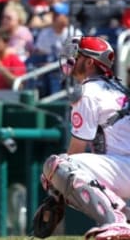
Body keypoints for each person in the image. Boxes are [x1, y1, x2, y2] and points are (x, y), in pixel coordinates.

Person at [38, 36, 130, 239]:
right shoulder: (117, 88)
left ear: (89, 62)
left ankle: (115, 221)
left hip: (124, 167)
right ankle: (125, 219)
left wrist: (57, 186)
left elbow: (76, 151)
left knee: (57, 165)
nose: (71, 60)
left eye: (77, 56)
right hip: (123, 166)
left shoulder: (88, 92)